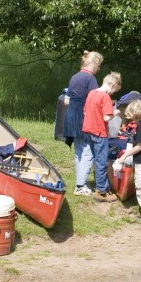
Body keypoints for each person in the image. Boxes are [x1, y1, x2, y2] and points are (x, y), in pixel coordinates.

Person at [63, 51, 103, 195]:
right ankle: (80, 186)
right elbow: (95, 101)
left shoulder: (75, 77)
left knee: (79, 151)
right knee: (86, 151)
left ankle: (80, 183)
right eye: (99, 65)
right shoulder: (90, 78)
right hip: (82, 118)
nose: (99, 69)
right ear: (94, 64)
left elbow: (66, 100)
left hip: (71, 116)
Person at [82, 72, 122, 202]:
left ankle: (102, 185)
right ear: (112, 85)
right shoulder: (105, 97)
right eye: (114, 90)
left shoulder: (91, 93)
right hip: (99, 133)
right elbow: (106, 117)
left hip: (88, 130)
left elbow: (85, 111)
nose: (112, 93)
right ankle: (101, 191)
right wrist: (116, 112)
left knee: (96, 159)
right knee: (102, 161)